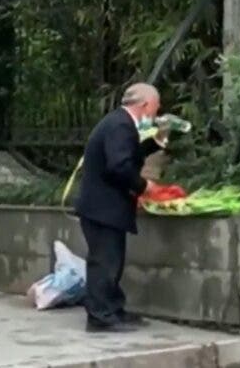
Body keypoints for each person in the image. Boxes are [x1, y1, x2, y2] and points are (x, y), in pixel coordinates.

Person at [75, 83, 168, 333]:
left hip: (104, 207)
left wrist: (156, 143)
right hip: (102, 207)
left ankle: (114, 310)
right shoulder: (120, 125)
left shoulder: (118, 123)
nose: (156, 112)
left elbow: (128, 154)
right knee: (104, 262)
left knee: (112, 261)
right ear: (146, 104)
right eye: (156, 107)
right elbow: (119, 166)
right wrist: (143, 186)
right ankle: (100, 317)